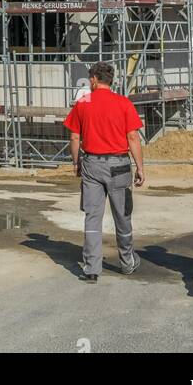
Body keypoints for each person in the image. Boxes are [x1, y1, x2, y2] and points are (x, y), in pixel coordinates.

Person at [63, 61, 145, 283]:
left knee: (92, 216)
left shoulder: (84, 102)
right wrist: (140, 167)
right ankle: (127, 261)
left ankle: (91, 268)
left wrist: (76, 162)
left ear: (93, 79)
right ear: (111, 80)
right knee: (122, 215)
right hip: (119, 165)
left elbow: (74, 137)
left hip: (91, 164)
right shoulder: (123, 102)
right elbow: (133, 137)